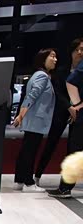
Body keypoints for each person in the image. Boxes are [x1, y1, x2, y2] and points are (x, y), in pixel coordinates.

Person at [35, 38, 83, 186]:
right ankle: (37, 175)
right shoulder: (62, 71)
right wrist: (69, 107)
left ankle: (66, 183)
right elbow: (58, 91)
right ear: (72, 51)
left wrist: (77, 107)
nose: (79, 52)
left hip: (79, 111)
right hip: (62, 110)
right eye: (77, 49)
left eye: (82, 50)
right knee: (51, 143)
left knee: (73, 147)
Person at [13, 49, 57, 192]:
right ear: (43, 59)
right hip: (36, 119)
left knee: (26, 149)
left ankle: (20, 180)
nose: (55, 60)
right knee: (30, 151)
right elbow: (32, 95)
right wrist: (21, 115)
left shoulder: (38, 75)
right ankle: (28, 183)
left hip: (33, 119)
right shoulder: (42, 76)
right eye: (52, 56)